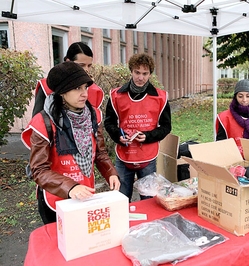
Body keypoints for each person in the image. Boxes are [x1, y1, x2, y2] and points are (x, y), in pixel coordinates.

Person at [21, 61, 120, 224]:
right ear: (61, 92)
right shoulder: (44, 122)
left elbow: (100, 153)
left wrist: (110, 172)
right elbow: (38, 170)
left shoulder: (93, 115)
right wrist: (71, 187)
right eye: (77, 88)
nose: (84, 94)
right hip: (55, 200)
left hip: (86, 195)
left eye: (85, 87)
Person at [104, 53, 171, 202]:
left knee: (148, 200)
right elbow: (109, 123)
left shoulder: (160, 97)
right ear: (131, 71)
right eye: (137, 72)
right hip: (124, 155)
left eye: (145, 73)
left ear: (150, 74)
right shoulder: (116, 96)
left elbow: (166, 127)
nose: (140, 77)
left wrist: (148, 136)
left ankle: (148, 225)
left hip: (148, 156)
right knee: (120, 199)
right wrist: (118, 136)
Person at [32, 42, 104, 117]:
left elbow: (96, 122)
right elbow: (37, 119)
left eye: (89, 66)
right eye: (81, 65)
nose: (86, 70)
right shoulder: (46, 86)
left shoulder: (95, 90)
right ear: (68, 61)